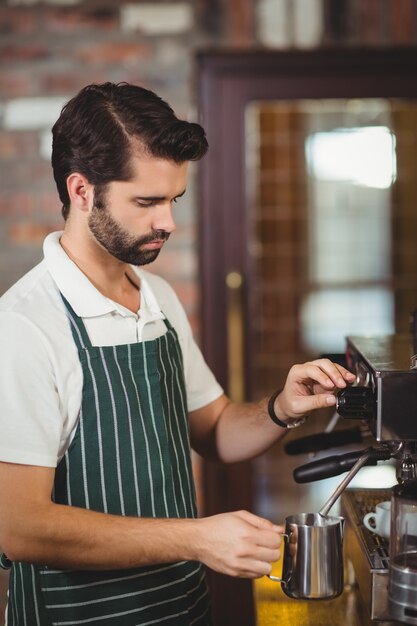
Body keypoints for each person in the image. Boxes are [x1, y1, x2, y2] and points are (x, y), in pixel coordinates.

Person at [0, 82, 355, 626]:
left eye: (173, 200)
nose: (168, 222)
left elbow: (214, 430)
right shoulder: (24, 325)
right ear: (81, 191)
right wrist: (198, 538)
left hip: (180, 608)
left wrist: (282, 407)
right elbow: (19, 527)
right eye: (147, 202)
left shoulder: (156, 298)